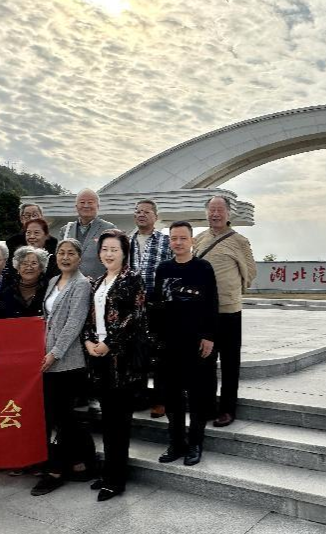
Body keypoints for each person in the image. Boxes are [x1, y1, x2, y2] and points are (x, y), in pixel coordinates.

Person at [83, 230, 146, 501]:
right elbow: (89, 318)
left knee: (119, 422)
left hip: (121, 361)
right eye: (105, 249)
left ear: (124, 253)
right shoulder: (98, 281)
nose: (108, 254)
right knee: (107, 420)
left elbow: (135, 316)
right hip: (98, 358)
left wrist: (109, 342)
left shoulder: (132, 279)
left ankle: (116, 480)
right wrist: (89, 341)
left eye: (114, 250)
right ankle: (108, 472)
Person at [30, 238, 96, 495]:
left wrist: (55, 353)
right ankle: (80, 464)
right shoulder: (52, 281)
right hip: (47, 359)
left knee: (63, 417)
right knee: (57, 417)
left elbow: (74, 324)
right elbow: (47, 320)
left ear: (79, 258)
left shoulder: (82, 284)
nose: (65, 257)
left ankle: (57, 471)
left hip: (68, 362)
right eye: (61, 253)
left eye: (71, 253)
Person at [152, 221, 218, 466]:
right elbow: (158, 305)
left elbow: (212, 303)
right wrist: (156, 338)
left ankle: (195, 444)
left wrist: (209, 336)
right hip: (169, 343)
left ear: (192, 241)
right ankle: (176, 442)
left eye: (183, 238)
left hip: (197, 342)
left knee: (198, 395)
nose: (178, 242)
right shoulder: (163, 269)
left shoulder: (203, 268)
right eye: (173, 238)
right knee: (172, 396)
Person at [192, 196, 256, 428]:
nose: (215, 214)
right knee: (205, 361)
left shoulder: (239, 241)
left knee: (229, 363)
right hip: (203, 312)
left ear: (229, 214)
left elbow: (250, 272)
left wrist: (230, 290)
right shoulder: (199, 239)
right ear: (206, 213)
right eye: (212, 210)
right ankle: (208, 407)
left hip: (229, 312)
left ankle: (228, 410)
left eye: (220, 210)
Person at [128, 199, 172, 418]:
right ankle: (140, 396)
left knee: (160, 353)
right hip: (133, 305)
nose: (141, 215)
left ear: (155, 216)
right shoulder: (127, 241)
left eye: (146, 212)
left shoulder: (165, 241)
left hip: (158, 304)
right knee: (138, 351)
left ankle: (161, 400)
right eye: (138, 211)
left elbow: (173, 272)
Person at [58, 189, 115, 281]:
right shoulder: (66, 230)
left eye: (90, 202)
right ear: (76, 207)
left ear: (98, 206)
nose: (86, 205)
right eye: (82, 202)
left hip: (97, 283)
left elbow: (114, 260)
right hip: (69, 283)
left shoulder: (109, 229)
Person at [0, 246, 49, 319]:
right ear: (18, 268)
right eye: (24, 263)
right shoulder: (6, 290)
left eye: (34, 263)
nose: (29, 267)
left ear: (41, 267)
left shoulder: (49, 289)